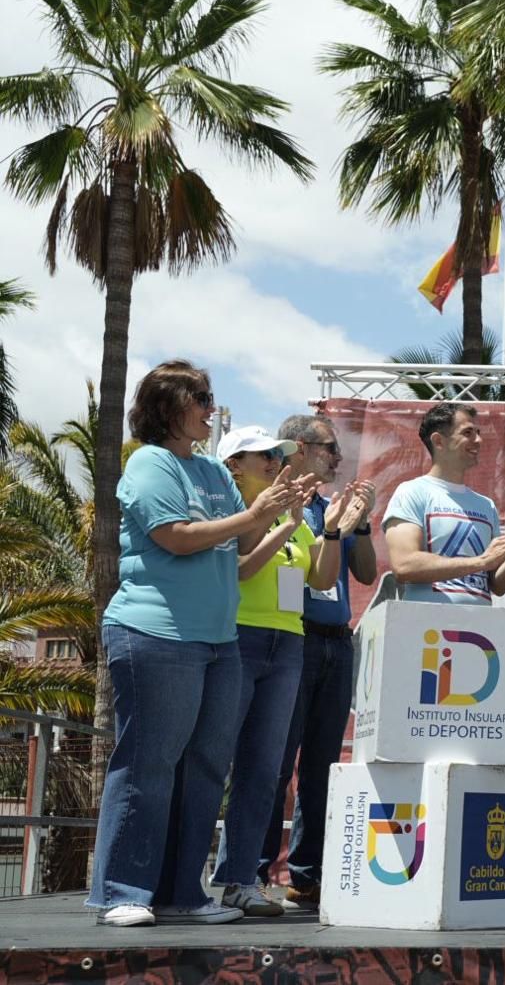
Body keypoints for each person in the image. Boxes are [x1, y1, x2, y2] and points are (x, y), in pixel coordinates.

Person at [88, 361, 309, 927]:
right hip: (155, 634)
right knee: (147, 764)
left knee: (208, 767)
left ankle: (186, 893)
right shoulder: (149, 462)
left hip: (218, 641)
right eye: (202, 398)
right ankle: (122, 891)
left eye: (212, 397)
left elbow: (238, 548)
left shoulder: (213, 472)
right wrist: (254, 513)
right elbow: (176, 539)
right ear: (168, 407)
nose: (211, 408)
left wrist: (277, 511)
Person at [210, 425, 335, 915]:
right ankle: (187, 883)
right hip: (237, 636)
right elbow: (242, 564)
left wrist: (335, 527)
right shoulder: (230, 509)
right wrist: (280, 518)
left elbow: (322, 579)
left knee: (265, 770)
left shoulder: (294, 513)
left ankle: (242, 881)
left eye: (276, 453)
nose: (272, 460)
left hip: (289, 643)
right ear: (233, 464)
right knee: (214, 763)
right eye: (260, 454)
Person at [258, 415, 377, 911]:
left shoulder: (333, 509)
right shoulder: (276, 501)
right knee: (273, 761)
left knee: (323, 767)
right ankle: (253, 872)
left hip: (336, 642)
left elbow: (366, 572)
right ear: (301, 448)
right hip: (293, 638)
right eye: (330, 448)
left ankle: (306, 877)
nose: (337, 458)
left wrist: (362, 523)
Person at [382, 403, 505, 604]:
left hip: (478, 631)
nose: (478, 440)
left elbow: (496, 586)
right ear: (439, 441)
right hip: (425, 629)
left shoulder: (486, 505)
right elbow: (404, 565)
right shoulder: (412, 492)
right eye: (468, 433)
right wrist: (480, 561)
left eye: (477, 432)